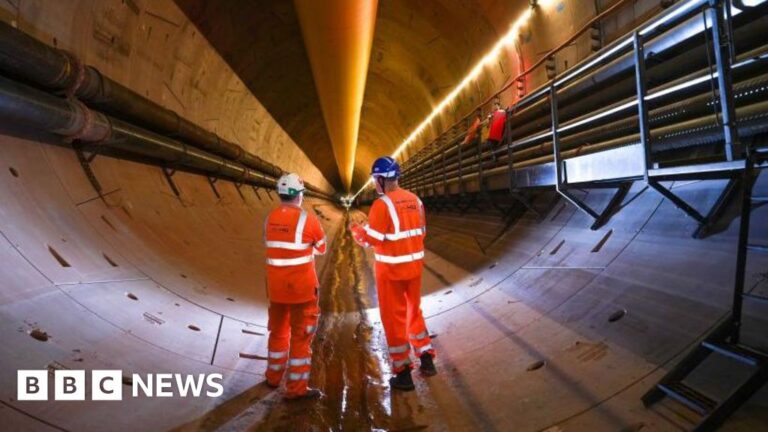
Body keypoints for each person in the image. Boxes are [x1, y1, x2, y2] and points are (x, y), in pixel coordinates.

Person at [349, 157, 437, 392]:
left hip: (391, 272)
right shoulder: (416, 200)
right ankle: (426, 358)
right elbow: (421, 232)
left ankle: (404, 373)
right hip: (414, 268)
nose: (373, 183)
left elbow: (373, 239)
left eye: (374, 179)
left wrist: (357, 231)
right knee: (413, 311)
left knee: (394, 319)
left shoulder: (382, 205)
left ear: (380, 179)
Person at [263, 173, 327, 400]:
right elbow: (321, 248)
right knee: (301, 338)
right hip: (302, 291)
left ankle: (272, 377)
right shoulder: (308, 220)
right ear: (299, 195)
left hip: (277, 290)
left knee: (278, 333)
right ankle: (296, 389)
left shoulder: (269, 219)